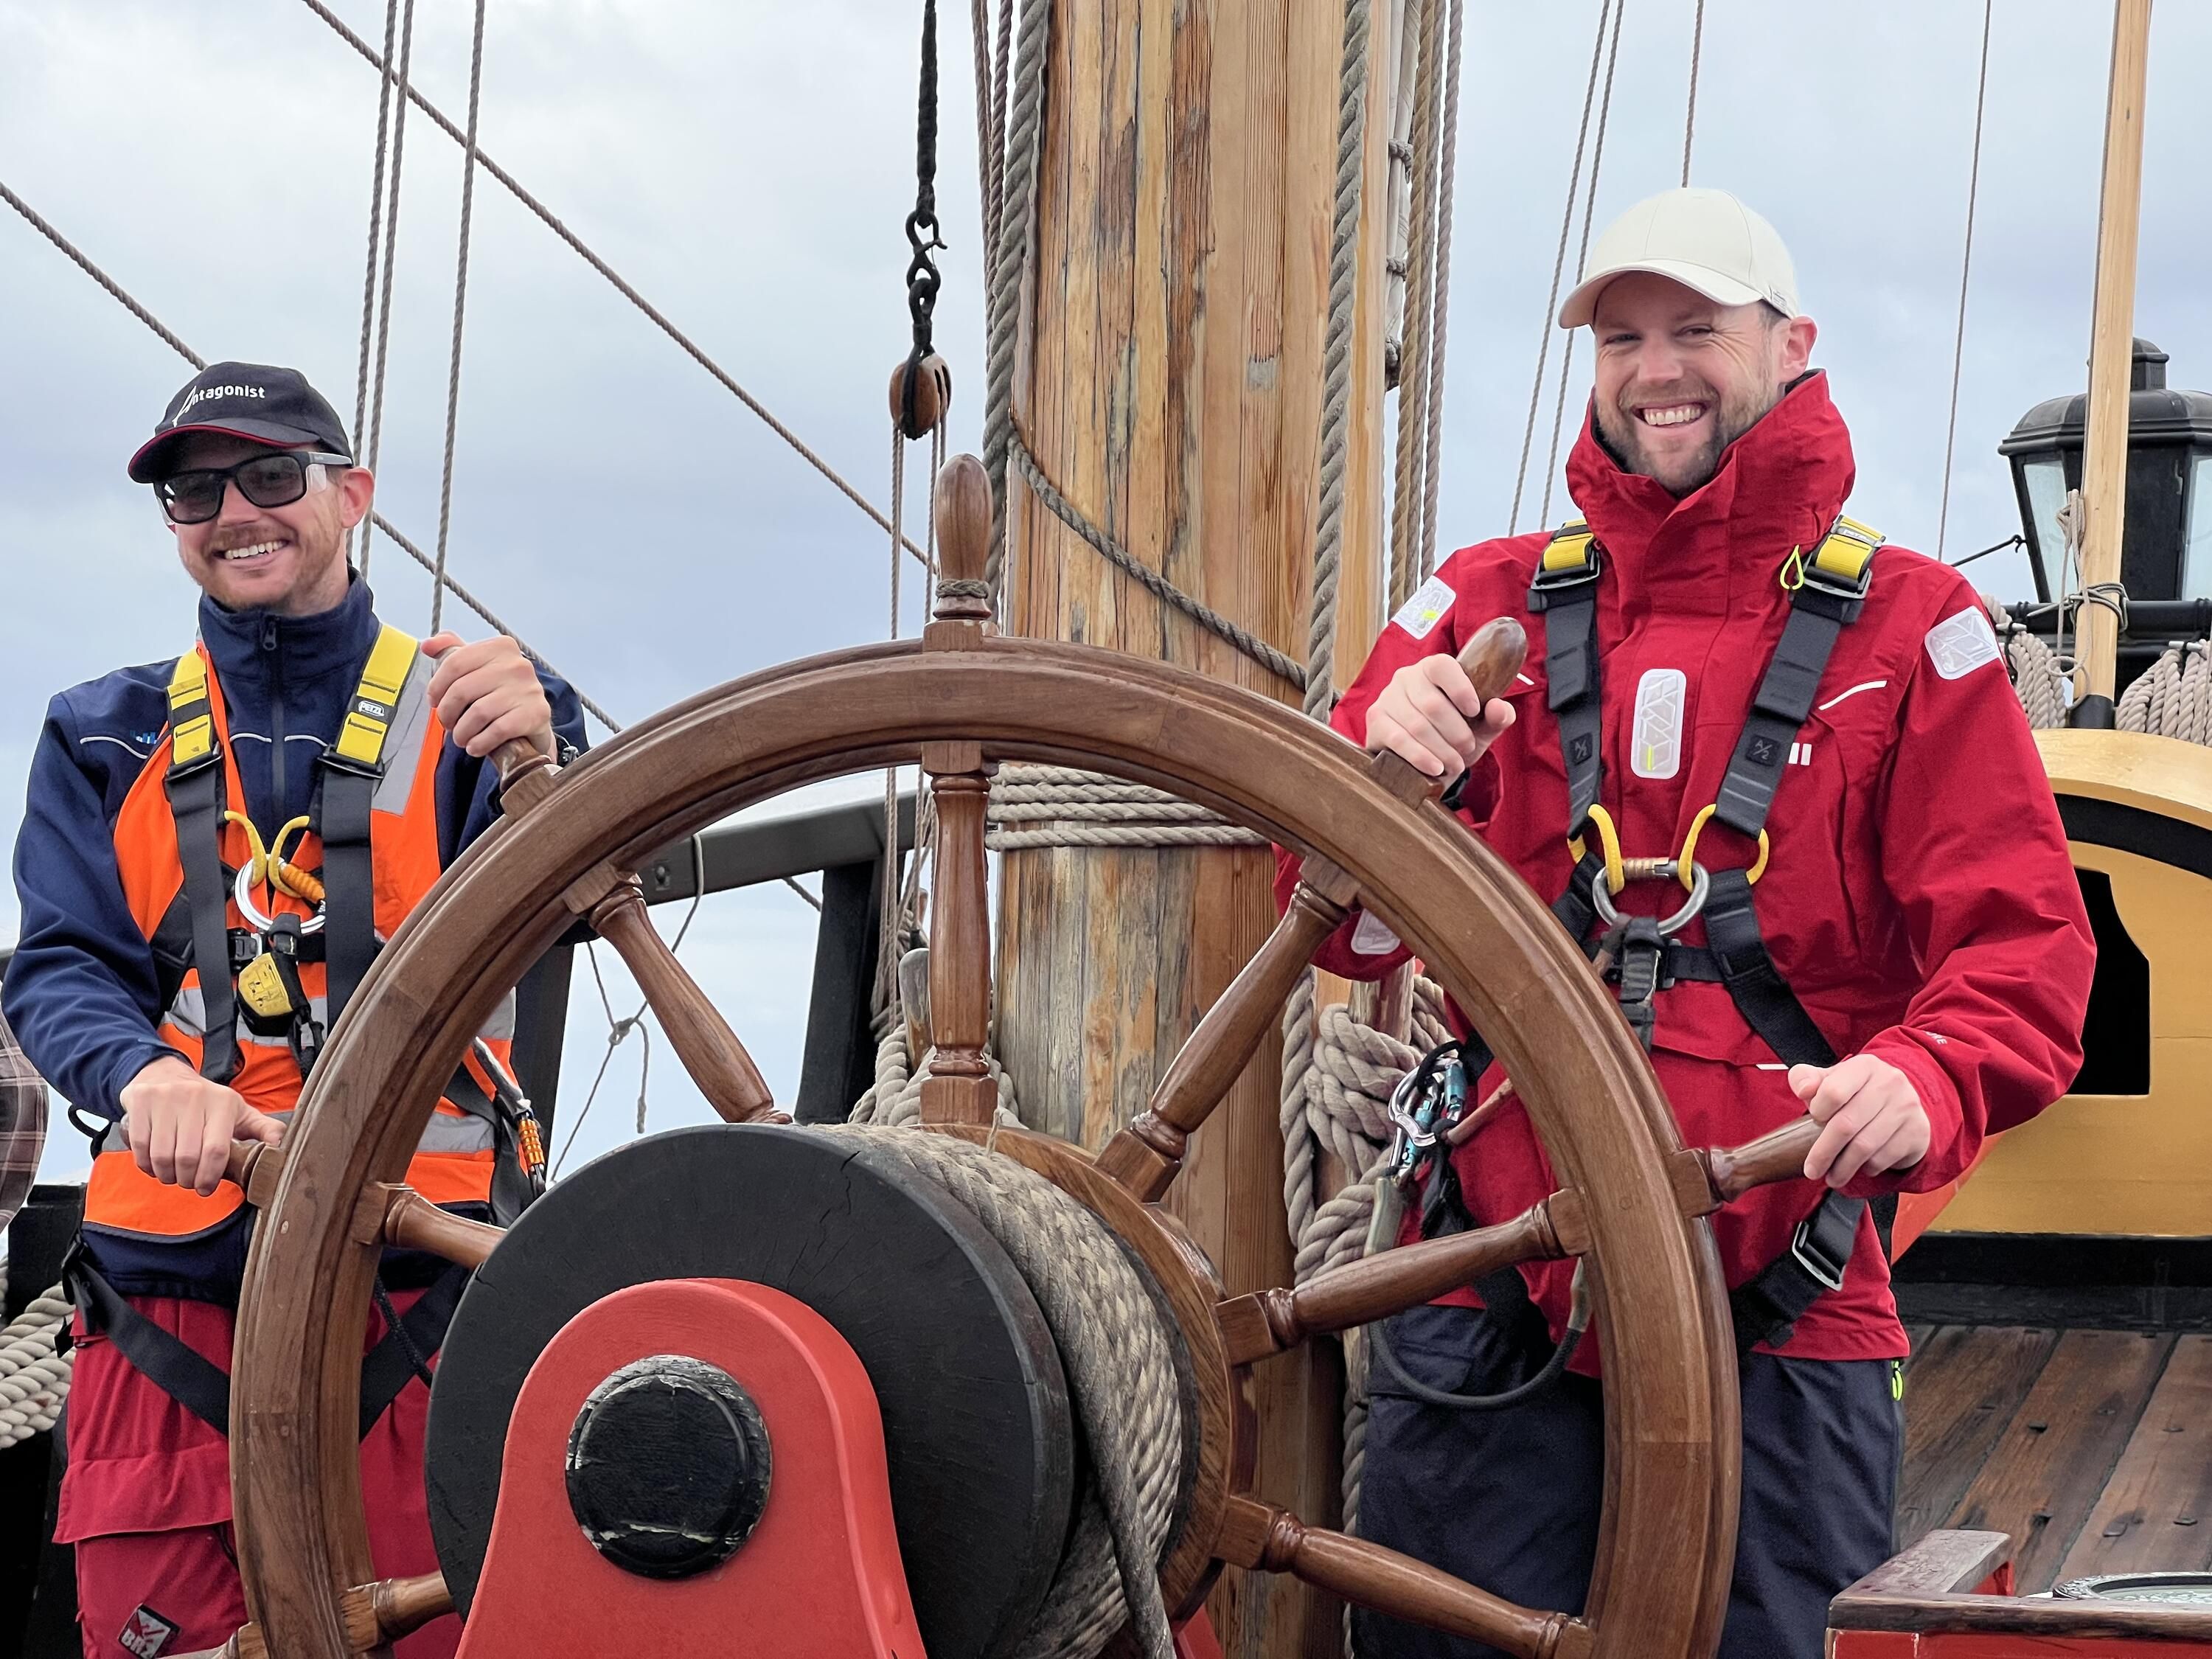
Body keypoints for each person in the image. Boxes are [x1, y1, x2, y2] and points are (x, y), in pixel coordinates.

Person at [1275, 189, 2095, 1658]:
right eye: (1624, 337)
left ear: (1793, 346)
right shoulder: (1476, 603)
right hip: (1489, 1270)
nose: (1658, 368)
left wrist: (1928, 1077)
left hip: (1789, 1279)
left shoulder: (1911, 631)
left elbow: (2026, 955)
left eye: (1696, 330)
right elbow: (1334, 928)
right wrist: (1377, 768)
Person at [3, 362, 586, 1659]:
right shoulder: (100, 735)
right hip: (170, 1326)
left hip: (421, 1311)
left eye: (272, 476)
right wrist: (139, 1077)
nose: (235, 510)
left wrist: (553, 737)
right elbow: (59, 966)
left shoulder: (475, 712)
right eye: (195, 489)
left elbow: (578, 878)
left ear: (353, 496)